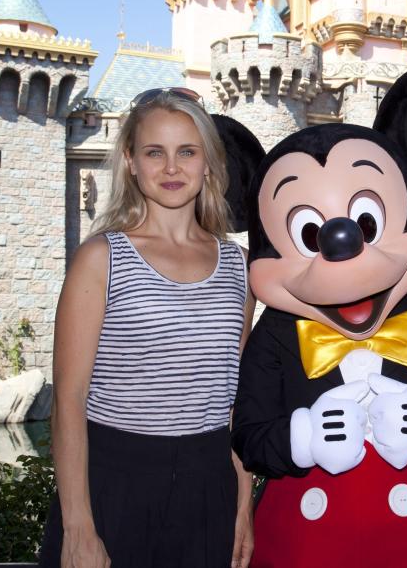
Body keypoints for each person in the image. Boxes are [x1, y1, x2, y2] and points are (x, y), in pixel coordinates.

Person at [38, 88, 256, 568]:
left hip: (209, 485)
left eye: (187, 152)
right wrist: (78, 527)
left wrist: (244, 505)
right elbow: (70, 399)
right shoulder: (101, 258)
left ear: (209, 164)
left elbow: (236, 401)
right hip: (113, 481)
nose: (172, 168)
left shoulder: (240, 268)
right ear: (131, 162)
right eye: (155, 152)